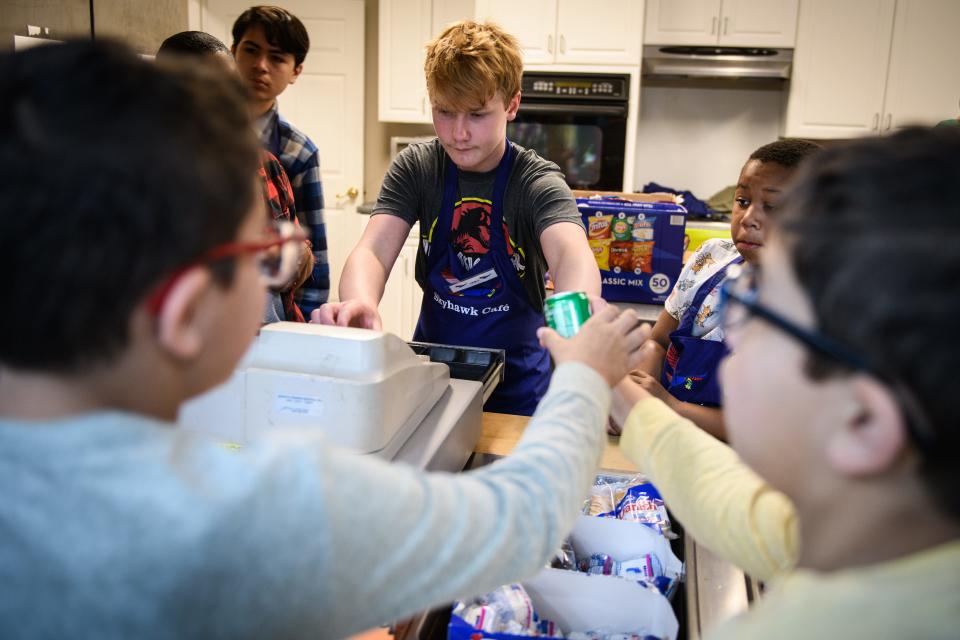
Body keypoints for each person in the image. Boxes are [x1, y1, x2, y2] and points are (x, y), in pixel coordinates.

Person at [0, 41, 648, 638]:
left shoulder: (534, 181)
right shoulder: (269, 502)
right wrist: (587, 374)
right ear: (185, 312)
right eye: (268, 255)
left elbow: (570, 265)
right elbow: (522, 519)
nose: (457, 131)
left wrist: (569, 321)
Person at [611, 127, 960, 638]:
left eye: (760, 316)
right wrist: (615, 387)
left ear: (863, 420)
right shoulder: (875, 532)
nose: (731, 347)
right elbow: (740, 506)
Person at [315, 21, 601, 416]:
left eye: (478, 114)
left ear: (512, 105)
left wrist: (574, 332)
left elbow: (572, 257)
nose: (459, 133)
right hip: (432, 377)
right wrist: (360, 302)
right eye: (445, 112)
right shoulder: (418, 167)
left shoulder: (536, 181)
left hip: (517, 392)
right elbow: (373, 251)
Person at [624, 139, 821, 439]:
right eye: (743, 201)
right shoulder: (711, 258)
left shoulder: (812, 303)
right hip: (671, 441)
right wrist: (639, 391)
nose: (749, 218)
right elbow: (660, 342)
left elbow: (767, 429)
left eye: (772, 207)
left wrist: (667, 406)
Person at [157, 30, 314, 323]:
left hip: (272, 347)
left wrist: (297, 258)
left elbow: (300, 257)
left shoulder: (265, 167)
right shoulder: (142, 182)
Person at [230, 5, 329, 317]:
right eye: (251, 50)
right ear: (233, 52)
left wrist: (304, 328)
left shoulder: (298, 151)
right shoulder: (200, 134)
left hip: (273, 315)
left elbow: (313, 255)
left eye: (276, 58)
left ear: (295, 71)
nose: (261, 66)